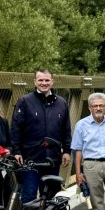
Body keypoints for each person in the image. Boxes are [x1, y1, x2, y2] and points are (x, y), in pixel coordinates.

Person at [10, 69, 72, 203]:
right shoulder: (24, 101)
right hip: (30, 158)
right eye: (40, 80)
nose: (44, 83)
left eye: (47, 80)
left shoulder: (61, 103)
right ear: (35, 82)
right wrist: (16, 151)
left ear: (52, 81)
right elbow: (16, 128)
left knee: (50, 196)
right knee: (29, 196)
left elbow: (66, 129)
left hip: (52, 158)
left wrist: (67, 151)